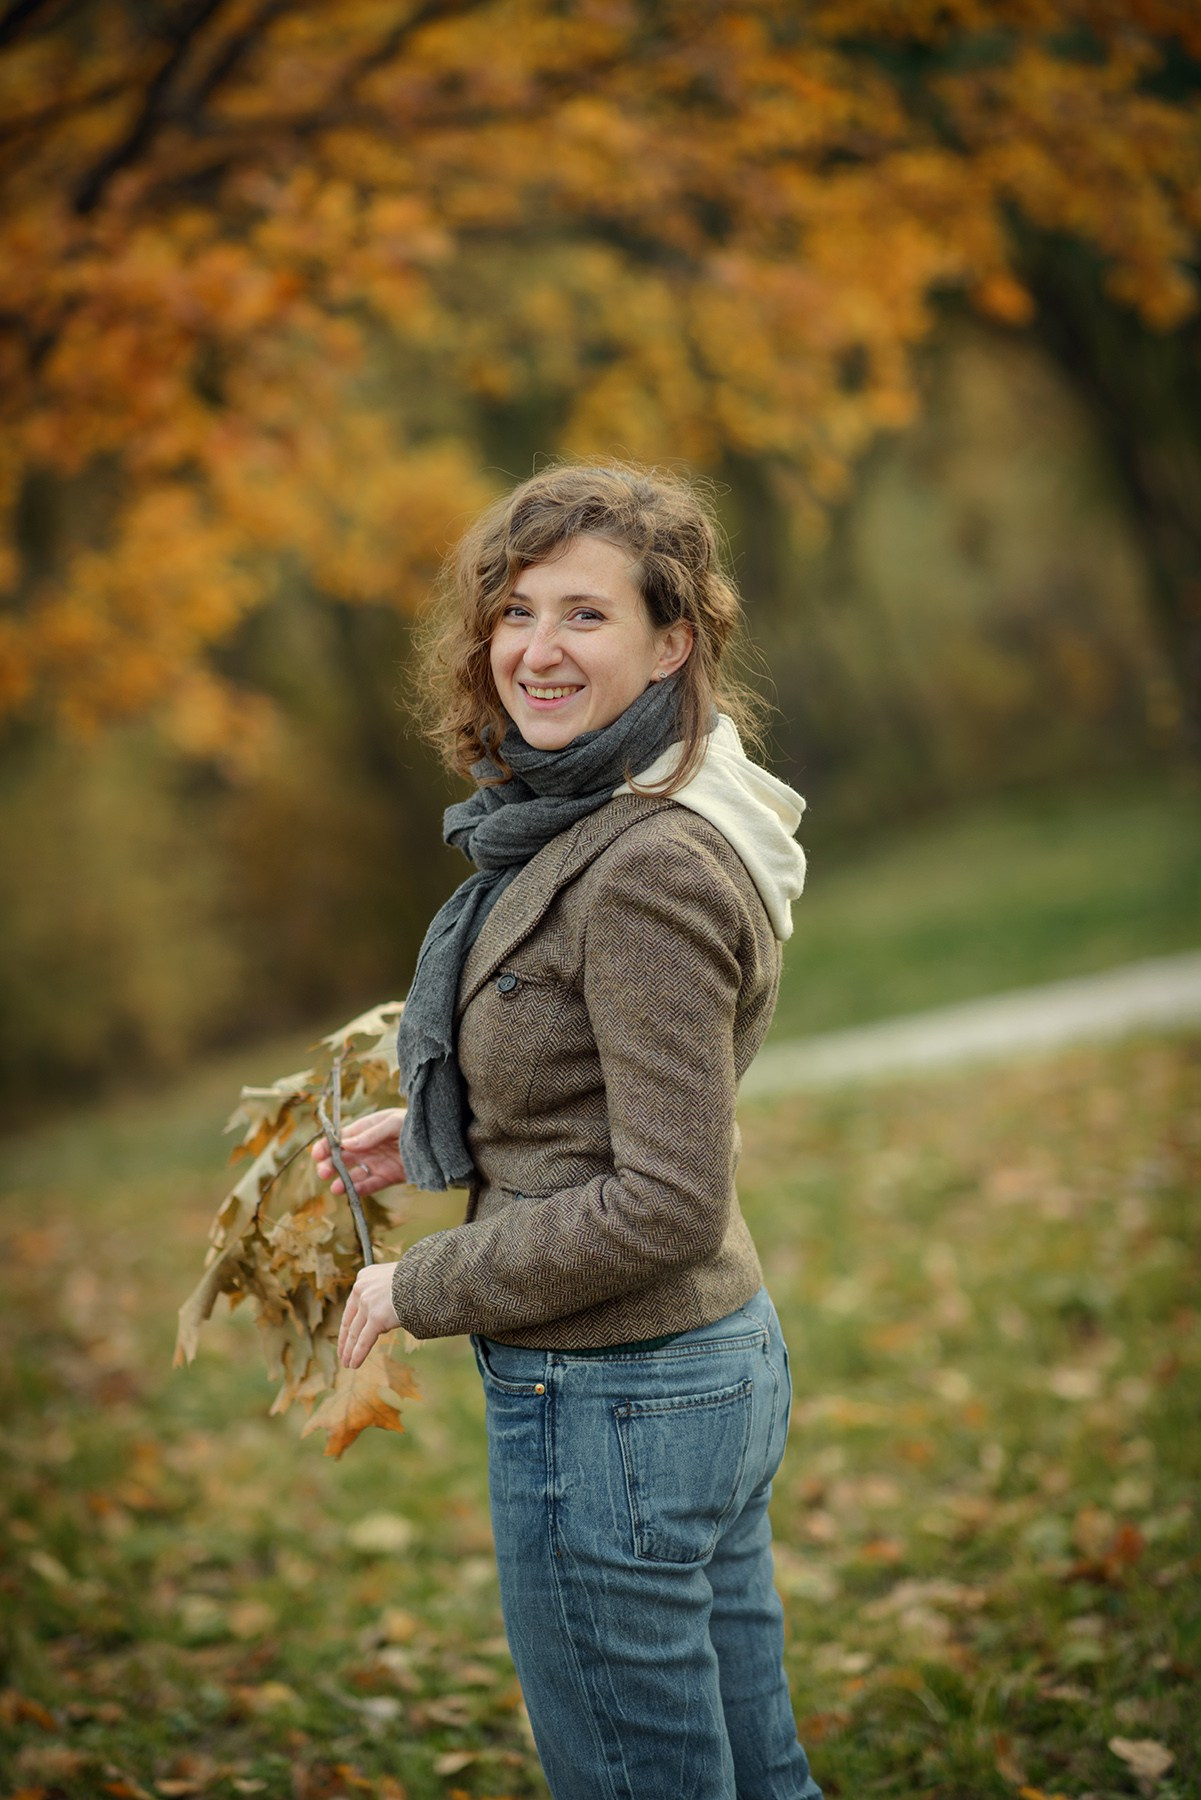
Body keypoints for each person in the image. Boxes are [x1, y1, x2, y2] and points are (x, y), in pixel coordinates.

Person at [312, 463, 822, 1800]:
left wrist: (420, 1283)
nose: (536, 649)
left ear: (672, 642)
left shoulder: (647, 860)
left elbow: (663, 1201)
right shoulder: (612, 813)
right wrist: (443, 1126)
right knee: (755, 1776)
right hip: (690, 1377)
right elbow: (612, 1084)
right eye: (515, 609)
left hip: (617, 1403)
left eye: (584, 617)